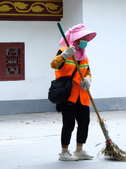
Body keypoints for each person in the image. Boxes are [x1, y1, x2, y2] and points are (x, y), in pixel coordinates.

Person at [50, 23, 97, 161]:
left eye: (87, 38)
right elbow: (53, 65)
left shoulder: (84, 56)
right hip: (68, 95)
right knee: (68, 124)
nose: (85, 41)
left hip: (82, 96)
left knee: (84, 122)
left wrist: (88, 80)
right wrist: (64, 56)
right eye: (84, 38)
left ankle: (79, 150)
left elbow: (88, 72)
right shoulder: (64, 51)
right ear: (76, 39)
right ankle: (64, 152)